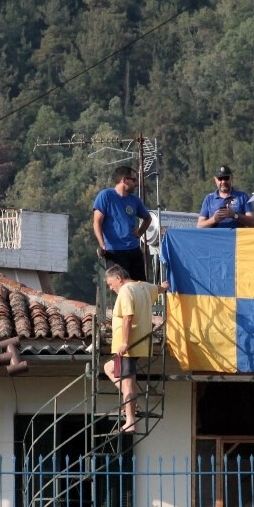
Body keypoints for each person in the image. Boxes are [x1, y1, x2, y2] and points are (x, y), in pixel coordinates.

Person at [102, 264, 167, 432]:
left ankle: (130, 421)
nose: (110, 288)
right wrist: (166, 285)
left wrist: (124, 342)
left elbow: (127, 318)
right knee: (108, 368)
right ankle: (131, 401)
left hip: (128, 346)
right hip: (139, 343)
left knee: (129, 384)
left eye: (110, 284)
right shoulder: (143, 286)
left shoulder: (125, 290)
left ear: (119, 278)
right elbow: (160, 289)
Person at [93, 166, 151, 282]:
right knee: (122, 286)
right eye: (133, 180)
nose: (136, 184)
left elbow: (147, 218)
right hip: (114, 251)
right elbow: (97, 222)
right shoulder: (106, 196)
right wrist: (102, 244)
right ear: (124, 180)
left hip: (133, 249)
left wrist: (139, 233)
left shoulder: (135, 200)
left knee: (140, 285)